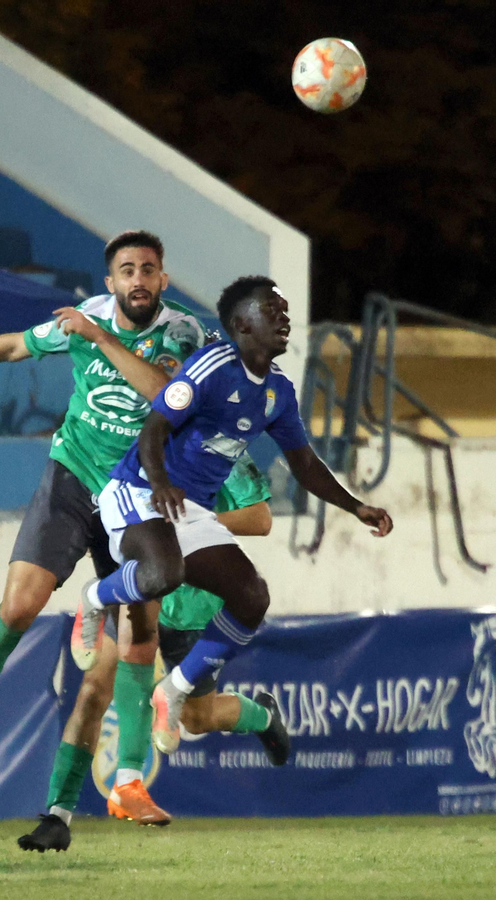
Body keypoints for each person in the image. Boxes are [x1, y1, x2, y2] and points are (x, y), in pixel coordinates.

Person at [0, 231, 204, 826]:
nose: (138, 279)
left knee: (141, 635)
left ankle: (128, 784)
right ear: (110, 282)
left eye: (149, 270)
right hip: (74, 477)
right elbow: (14, 346)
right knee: (19, 605)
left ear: (163, 280)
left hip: (136, 494)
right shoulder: (83, 317)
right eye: (126, 270)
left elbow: (169, 397)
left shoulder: (183, 334)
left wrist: (103, 339)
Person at [72, 275, 393, 754]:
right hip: (137, 491)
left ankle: (174, 690)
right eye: (272, 309)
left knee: (252, 596)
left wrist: (355, 505)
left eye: (284, 309)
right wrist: (159, 483)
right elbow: (153, 430)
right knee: (163, 573)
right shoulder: (211, 365)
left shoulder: (278, 392)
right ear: (242, 324)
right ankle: (96, 597)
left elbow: (303, 463)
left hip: (189, 510)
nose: (284, 318)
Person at [18, 457, 290, 853]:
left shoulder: (222, 445)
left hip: (193, 604)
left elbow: (261, 519)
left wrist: (190, 525)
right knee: (94, 689)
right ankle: (57, 816)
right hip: (141, 581)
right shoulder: (143, 443)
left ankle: (263, 715)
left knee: (198, 718)